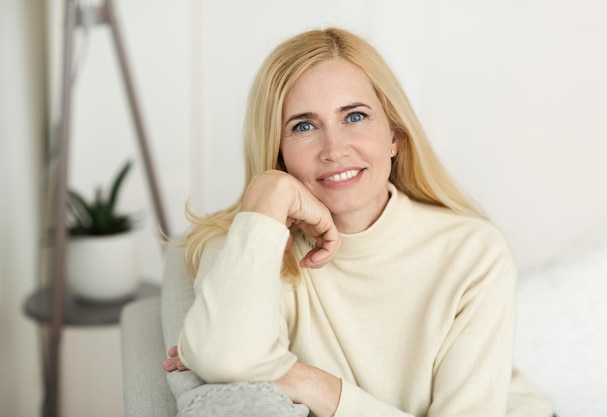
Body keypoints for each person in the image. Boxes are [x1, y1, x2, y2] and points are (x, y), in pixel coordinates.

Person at [163, 27, 554, 417]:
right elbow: (226, 357)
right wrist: (268, 191)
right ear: (278, 152)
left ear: (394, 137)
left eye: (354, 116)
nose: (334, 149)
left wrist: (307, 382)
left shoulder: (472, 251)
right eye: (303, 126)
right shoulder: (252, 240)